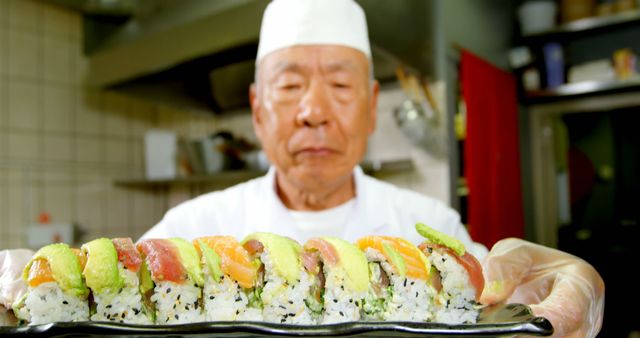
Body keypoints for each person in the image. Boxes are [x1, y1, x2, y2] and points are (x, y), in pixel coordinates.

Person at [0, 0, 603, 336]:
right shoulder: (189, 225)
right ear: (259, 112)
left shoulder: (428, 222)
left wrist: (553, 296)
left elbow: (497, 307)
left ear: (371, 108)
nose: (314, 111)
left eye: (341, 86)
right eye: (290, 86)